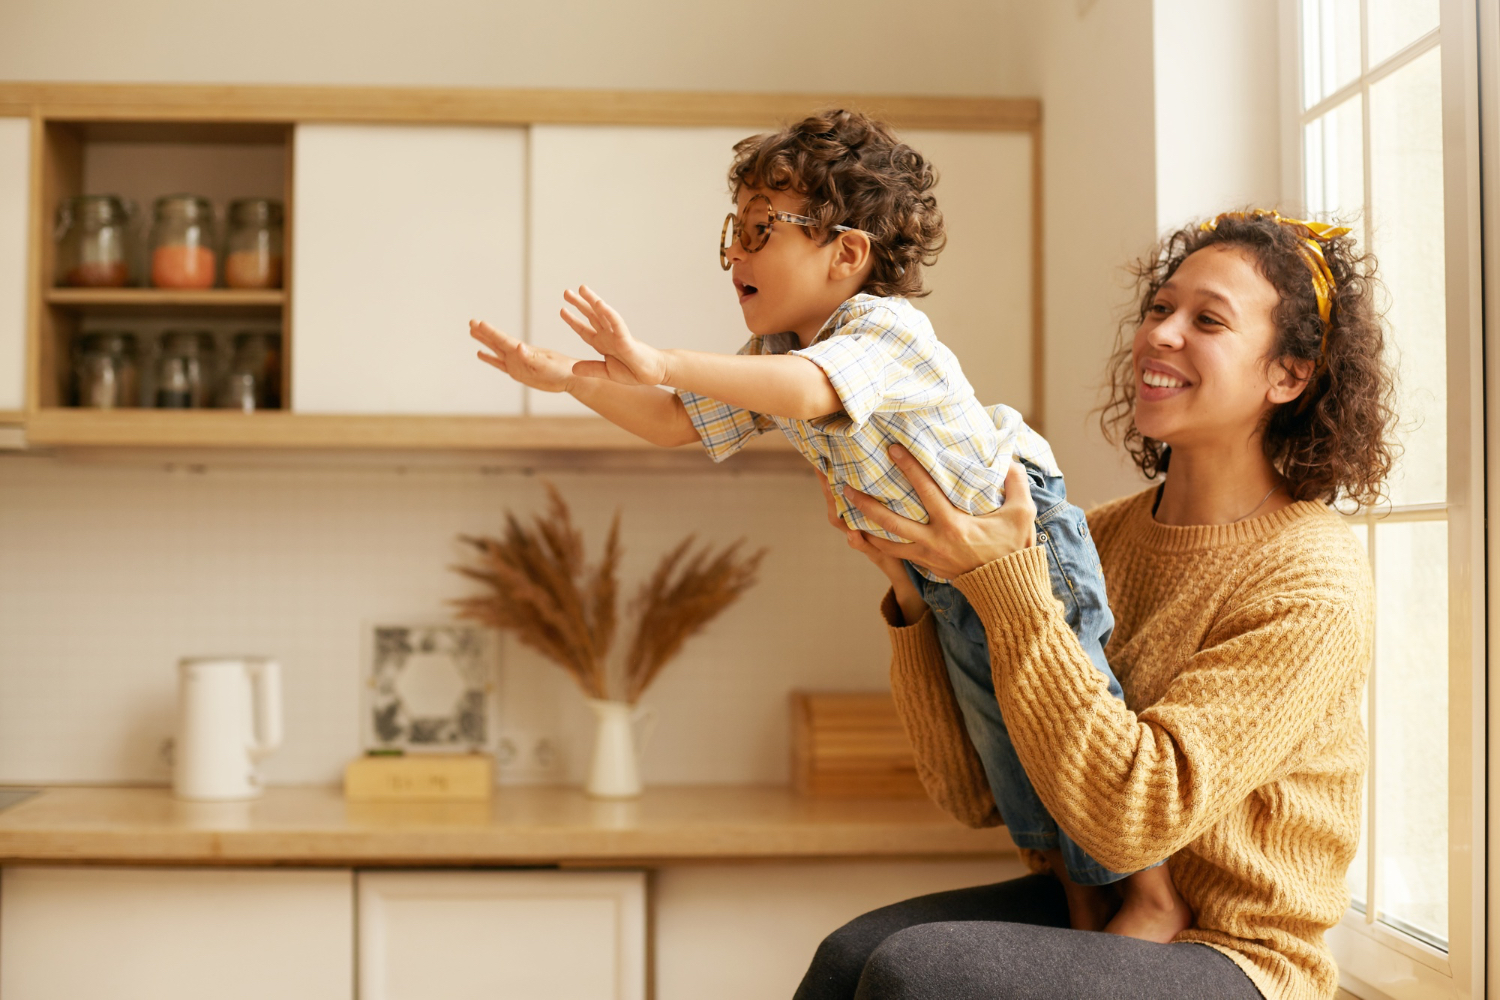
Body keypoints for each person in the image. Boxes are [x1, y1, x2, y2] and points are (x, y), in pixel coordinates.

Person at [470, 109, 1185, 936]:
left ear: (847, 253)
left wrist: (659, 357)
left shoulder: (882, 331)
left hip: (1026, 551)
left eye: (759, 231)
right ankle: (1087, 915)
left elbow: (813, 391)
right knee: (1018, 758)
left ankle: (1155, 896)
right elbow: (678, 422)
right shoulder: (777, 352)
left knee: (1074, 727)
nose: (735, 253)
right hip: (945, 579)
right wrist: (571, 381)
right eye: (732, 234)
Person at [796, 210, 1396, 1000]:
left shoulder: (1312, 576)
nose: (1162, 334)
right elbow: (970, 792)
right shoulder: (1097, 535)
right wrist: (915, 595)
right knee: (851, 955)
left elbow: (1133, 816)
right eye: (1159, 308)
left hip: (1237, 957)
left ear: (1288, 375)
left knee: (916, 974)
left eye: (1207, 320)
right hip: (1101, 905)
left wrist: (1011, 589)